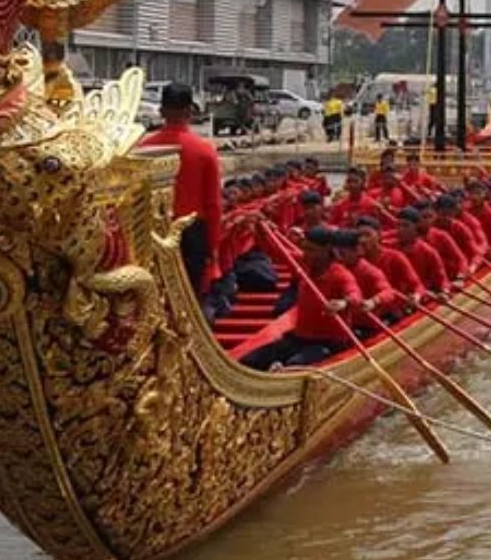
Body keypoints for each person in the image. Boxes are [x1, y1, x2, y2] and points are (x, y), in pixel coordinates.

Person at [240, 227, 363, 371]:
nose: (306, 254)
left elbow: (356, 295)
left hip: (327, 343)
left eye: (311, 249)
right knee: (249, 361)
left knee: (293, 366)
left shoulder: (340, 274)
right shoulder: (304, 263)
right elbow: (275, 252)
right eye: (305, 249)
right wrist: (260, 231)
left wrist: (343, 302)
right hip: (299, 338)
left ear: (327, 250)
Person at [140, 83, 222, 298]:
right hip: (192, 233)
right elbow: (213, 205)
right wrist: (213, 248)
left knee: (156, 295)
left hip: (153, 231)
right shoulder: (204, 151)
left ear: (161, 111)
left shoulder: (143, 150)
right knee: (190, 296)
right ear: (190, 111)